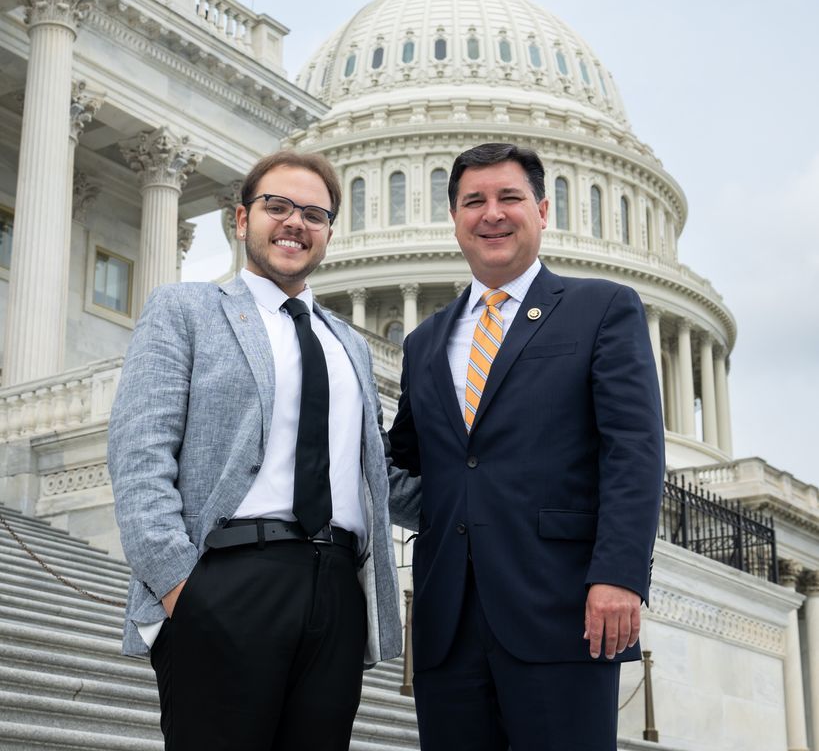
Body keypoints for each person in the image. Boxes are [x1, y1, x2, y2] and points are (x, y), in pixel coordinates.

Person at [108, 150, 419, 751]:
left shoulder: (348, 344)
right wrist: (182, 590)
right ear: (241, 218)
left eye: (313, 213)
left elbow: (379, 477)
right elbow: (140, 455)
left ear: (329, 232)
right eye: (277, 206)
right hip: (228, 578)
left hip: (336, 591)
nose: (294, 222)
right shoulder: (186, 310)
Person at [387, 142, 665, 751]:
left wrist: (619, 576)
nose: (492, 213)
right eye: (473, 201)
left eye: (509, 198)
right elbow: (405, 463)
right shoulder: (424, 343)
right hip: (447, 624)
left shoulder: (600, 309)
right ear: (454, 219)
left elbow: (634, 452)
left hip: (564, 612)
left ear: (542, 210)